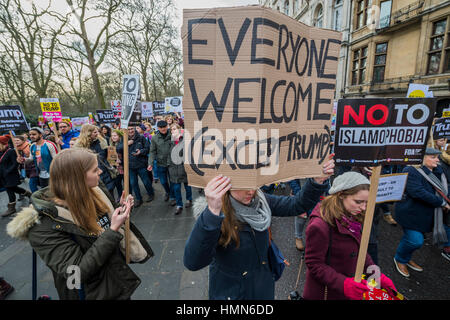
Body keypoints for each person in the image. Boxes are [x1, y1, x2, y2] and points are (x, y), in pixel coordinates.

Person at [7, 148, 154, 300]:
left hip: (114, 279)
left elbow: (99, 227)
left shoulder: (94, 191)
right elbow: (76, 273)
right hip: (92, 293)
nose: (100, 172)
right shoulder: (43, 226)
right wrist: (113, 230)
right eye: (95, 170)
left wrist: (119, 210)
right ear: (77, 178)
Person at [183, 158, 334, 300]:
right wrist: (212, 214)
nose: (251, 192)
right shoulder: (215, 215)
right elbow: (193, 262)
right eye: (243, 186)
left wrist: (317, 181)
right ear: (226, 185)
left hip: (263, 287)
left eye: (254, 184)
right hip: (232, 293)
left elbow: (296, 205)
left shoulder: (260, 200)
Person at [302, 171, 396, 300]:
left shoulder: (352, 215)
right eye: (358, 202)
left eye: (366, 202)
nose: (363, 208)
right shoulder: (320, 225)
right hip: (325, 293)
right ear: (341, 195)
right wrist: (344, 284)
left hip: (347, 290)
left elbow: (359, 250)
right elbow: (314, 264)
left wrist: (375, 274)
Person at [393, 147, 450, 277]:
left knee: (412, 239)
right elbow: (417, 192)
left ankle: (406, 257)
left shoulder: (439, 171)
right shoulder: (411, 170)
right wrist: (442, 203)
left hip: (426, 216)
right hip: (410, 214)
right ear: (422, 158)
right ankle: (400, 259)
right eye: (433, 157)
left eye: (437, 157)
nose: (437, 160)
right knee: (415, 241)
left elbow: (444, 189)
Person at [117, 126, 155, 207]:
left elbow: (148, 148)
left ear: (134, 129)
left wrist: (140, 151)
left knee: (146, 181)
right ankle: (138, 199)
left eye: (132, 129)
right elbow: (118, 148)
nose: (130, 131)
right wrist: (126, 144)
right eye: (129, 129)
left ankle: (151, 194)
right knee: (133, 183)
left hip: (141, 164)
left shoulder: (141, 138)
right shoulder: (123, 138)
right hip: (130, 166)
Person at [74, 124, 115, 197]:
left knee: (110, 193)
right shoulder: (79, 146)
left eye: (97, 132)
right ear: (88, 133)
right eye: (95, 132)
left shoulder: (101, 140)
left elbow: (108, 154)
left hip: (104, 171)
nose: (97, 134)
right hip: (91, 175)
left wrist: (114, 161)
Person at [0, 135, 31, 217]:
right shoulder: (1, 151)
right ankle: (28, 194)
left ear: (2, 144)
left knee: (9, 189)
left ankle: (11, 207)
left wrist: (7, 171)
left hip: (10, 175)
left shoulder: (11, 151)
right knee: (14, 188)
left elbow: (15, 163)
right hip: (2, 175)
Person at [167, 124, 192, 215]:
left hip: (183, 167)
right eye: (171, 129)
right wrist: (169, 164)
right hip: (173, 169)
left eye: (174, 129)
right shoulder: (170, 141)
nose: (172, 131)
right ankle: (179, 205)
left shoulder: (185, 140)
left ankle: (189, 199)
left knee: (187, 186)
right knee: (176, 188)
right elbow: (168, 154)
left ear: (179, 129)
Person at [148, 120, 174, 204]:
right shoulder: (155, 138)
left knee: (173, 181)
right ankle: (168, 192)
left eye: (164, 127)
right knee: (163, 181)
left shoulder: (173, 135)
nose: (163, 129)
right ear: (158, 128)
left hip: (172, 163)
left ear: (167, 126)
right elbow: (152, 151)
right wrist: (150, 163)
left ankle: (173, 196)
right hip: (160, 163)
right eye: (161, 127)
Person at [109, 129, 124, 202]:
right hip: (116, 168)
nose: (113, 137)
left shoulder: (123, 143)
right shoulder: (111, 144)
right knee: (118, 183)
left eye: (115, 135)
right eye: (112, 136)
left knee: (127, 182)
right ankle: (120, 196)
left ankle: (128, 195)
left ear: (119, 136)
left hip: (124, 166)